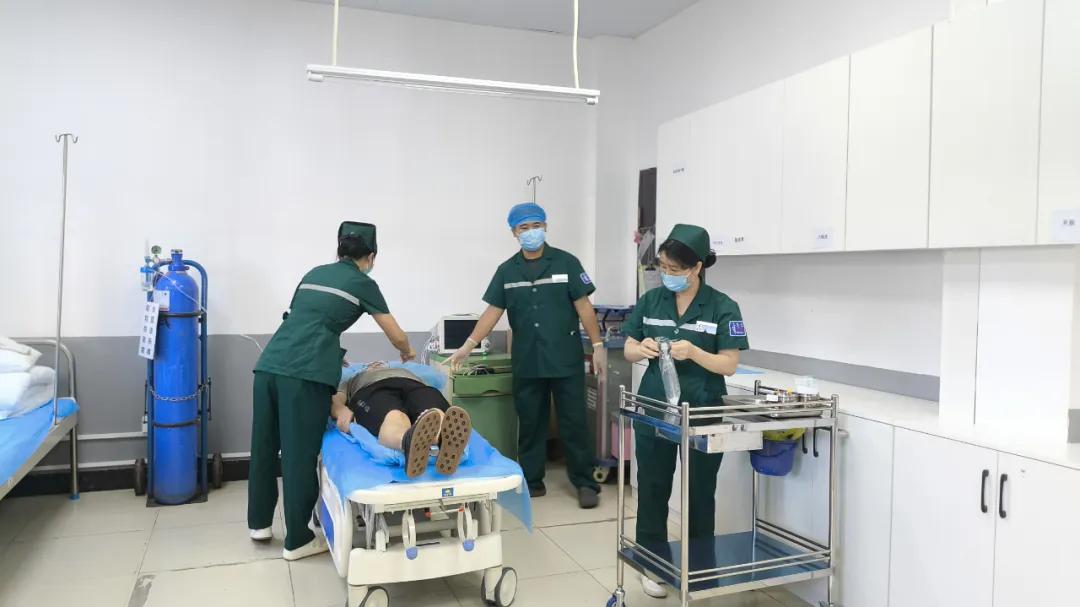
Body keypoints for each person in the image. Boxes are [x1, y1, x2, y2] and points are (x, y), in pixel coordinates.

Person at [248, 221, 416, 561]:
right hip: (304, 375)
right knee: (299, 454)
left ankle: (259, 524)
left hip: (268, 365)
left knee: (264, 445)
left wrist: (333, 357)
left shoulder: (313, 274)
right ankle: (298, 540)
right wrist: (408, 353)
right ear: (371, 256)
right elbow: (396, 334)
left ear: (339, 249)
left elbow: (301, 321)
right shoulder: (363, 283)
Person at [447, 202, 607, 509]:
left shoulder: (567, 263)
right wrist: (468, 345)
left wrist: (598, 346)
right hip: (527, 359)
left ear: (545, 227)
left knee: (574, 422)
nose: (531, 232)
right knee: (531, 422)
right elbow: (492, 312)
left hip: (565, 358)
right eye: (524, 228)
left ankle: (585, 482)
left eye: (536, 226)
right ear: (514, 233)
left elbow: (584, 307)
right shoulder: (507, 271)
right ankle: (532, 480)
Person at [621, 224, 750, 599]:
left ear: (697, 268)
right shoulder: (651, 301)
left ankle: (700, 566)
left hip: (703, 409)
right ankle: (653, 564)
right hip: (655, 406)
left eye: (675, 269)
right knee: (653, 487)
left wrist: (694, 352)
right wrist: (641, 348)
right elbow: (628, 347)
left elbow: (729, 364)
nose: (667, 274)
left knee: (700, 492)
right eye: (662, 267)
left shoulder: (723, 306)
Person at [330, 363, 472, 478]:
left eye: (382, 363)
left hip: (415, 386)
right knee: (395, 416)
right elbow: (336, 399)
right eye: (371, 364)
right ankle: (408, 441)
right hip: (373, 388)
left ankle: (443, 439)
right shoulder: (353, 378)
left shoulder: (409, 371)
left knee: (433, 412)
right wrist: (340, 411)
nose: (376, 364)